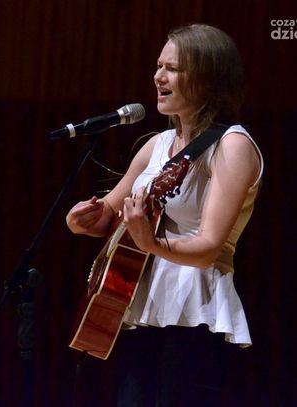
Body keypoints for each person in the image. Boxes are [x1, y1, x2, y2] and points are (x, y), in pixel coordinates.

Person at [66, 24, 263, 406]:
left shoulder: (231, 145)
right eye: (159, 66)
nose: (158, 76)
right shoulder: (157, 144)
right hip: (139, 304)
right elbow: (109, 214)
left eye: (173, 68)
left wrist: (150, 242)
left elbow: (208, 248)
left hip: (194, 309)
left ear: (208, 77)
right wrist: (81, 219)